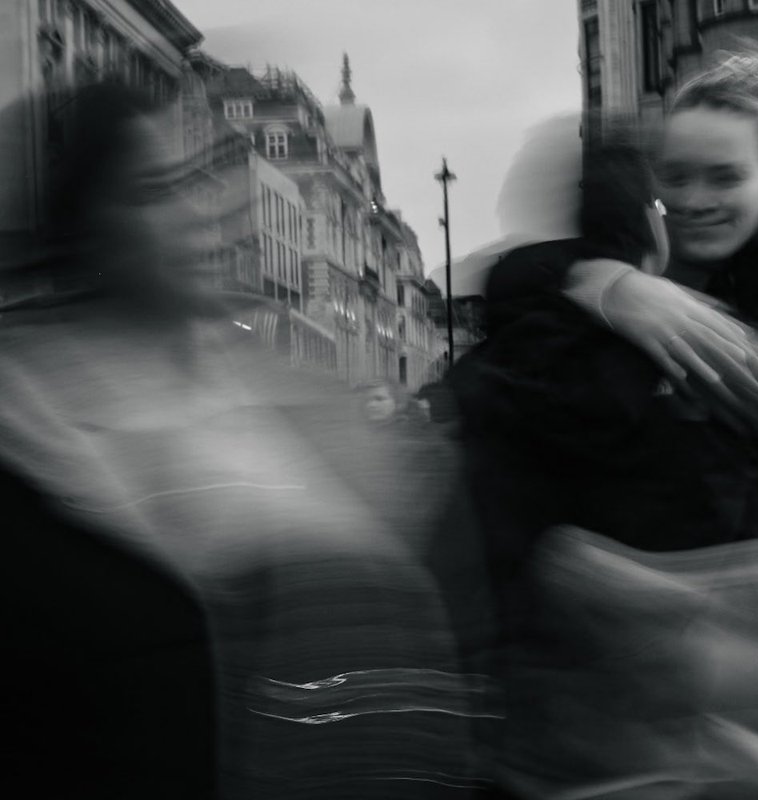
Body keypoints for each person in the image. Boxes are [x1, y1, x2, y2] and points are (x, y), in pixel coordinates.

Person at [0, 83, 479, 799]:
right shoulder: (35, 438)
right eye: (159, 190)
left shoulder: (287, 402)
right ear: (89, 223)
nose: (208, 212)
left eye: (209, 176)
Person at [454, 53, 758, 797]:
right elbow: (519, 298)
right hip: (683, 690)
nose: (696, 199)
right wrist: (604, 281)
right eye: (677, 177)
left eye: (726, 177)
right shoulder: (631, 284)